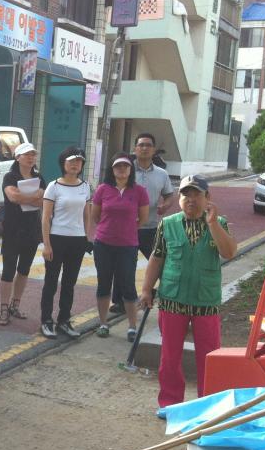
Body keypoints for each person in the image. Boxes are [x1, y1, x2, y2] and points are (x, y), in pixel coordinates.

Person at [138, 176, 237, 411]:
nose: (190, 199)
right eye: (185, 195)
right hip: (173, 299)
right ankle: (171, 405)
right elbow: (158, 256)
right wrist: (145, 289)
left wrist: (212, 224)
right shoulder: (168, 223)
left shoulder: (219, 222)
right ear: (179, 198)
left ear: (207, 198)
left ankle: (208, 405)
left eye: (196, 195)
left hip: (206, 300)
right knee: (170, 358)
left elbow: (229, 252)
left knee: (209, 358)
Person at [109, 132, 174, 314]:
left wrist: (166, 205)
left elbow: (170, 194)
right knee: (123, 266)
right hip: (126, 229)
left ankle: (159, 295)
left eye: (148, 145)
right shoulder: (125, 171)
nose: (144, 148)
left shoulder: (162, 174)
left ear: (153, 150)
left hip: (152, 227)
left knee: (161, 263)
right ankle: (120, 301)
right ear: (135, 149)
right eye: (141, 145)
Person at [92, 154, 149, 341]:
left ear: (130, 170)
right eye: (118, 167)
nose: (122, 170)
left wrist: (126, 230)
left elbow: (143, 219)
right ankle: (103, 323)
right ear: (112, 170)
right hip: (103, 244)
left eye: (125, 166)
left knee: (128, 286)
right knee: (104, 284)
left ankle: (132, 326)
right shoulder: (103, 189)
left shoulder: (139, 191)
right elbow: (95, 216)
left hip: (128, 245)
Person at [40, 146, 92, 340]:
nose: (75, 164)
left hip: (77, 241)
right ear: (63, 163)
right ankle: (46, 321)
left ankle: (64, 320)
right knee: (51, 282)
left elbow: (86, 214)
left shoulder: (85, 186)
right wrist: (47, 245)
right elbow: (45, 218)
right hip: (56, 239)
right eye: (71, 161)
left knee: (69, 283)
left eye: (79, 161)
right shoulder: (54, 186)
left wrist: (87, 237)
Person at [0, 142, 45, 326]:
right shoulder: (10, 177)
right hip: (12, 229)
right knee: (8, 270)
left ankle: (15, 305)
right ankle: (3, 308)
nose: (31, 157)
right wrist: (34, 197)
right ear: (17, 157)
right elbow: (13, 197)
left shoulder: (39, 177)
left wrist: (27, 198)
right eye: (27, 154)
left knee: (24, 270)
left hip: (32, 229)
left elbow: (42, 202)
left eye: (33, 154)